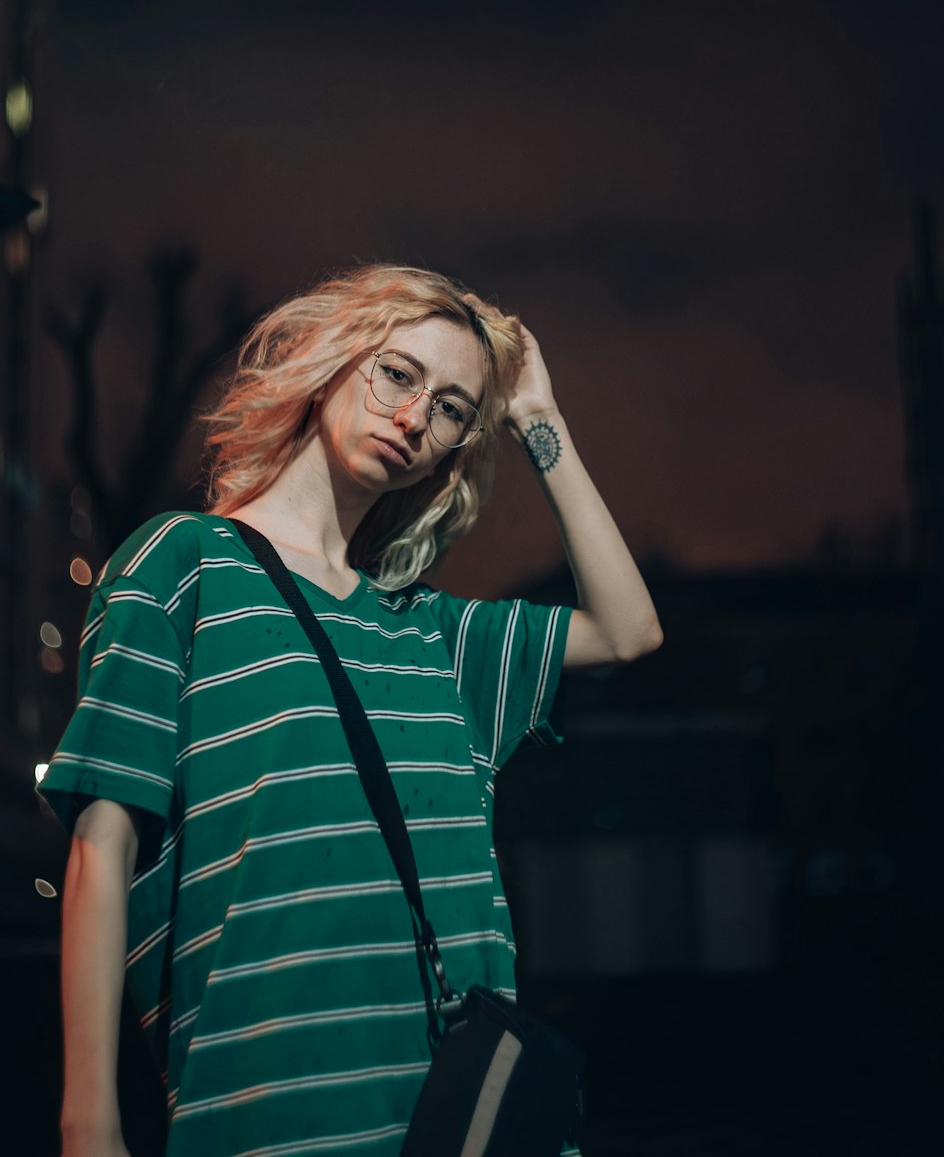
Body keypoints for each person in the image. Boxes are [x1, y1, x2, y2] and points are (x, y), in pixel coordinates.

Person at [39, 262, 662, 1157]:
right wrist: (87, 1119)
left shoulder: (428, 633)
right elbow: (102, 842)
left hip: (463, 1121)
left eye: (450, 407)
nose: (415, 417)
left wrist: (536, 418)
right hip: (272, 1113)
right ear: (333, 361)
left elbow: (628, 626)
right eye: (398, 373)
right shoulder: (184, 567)